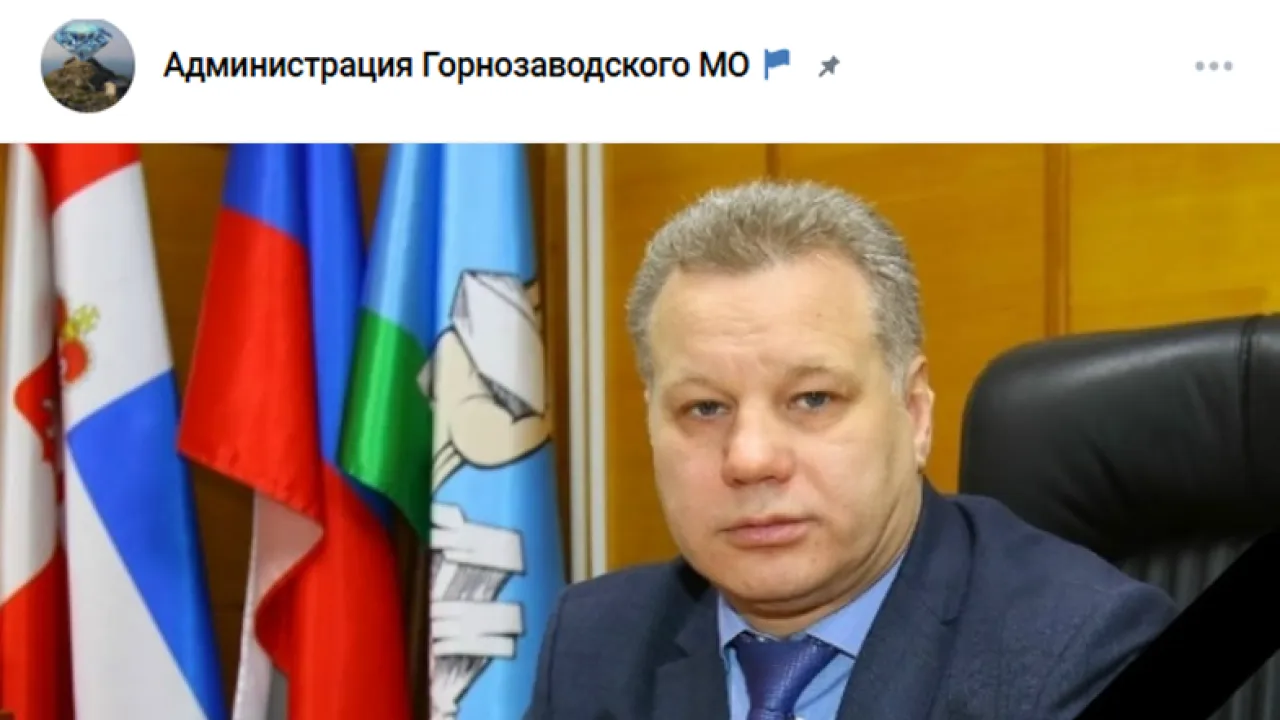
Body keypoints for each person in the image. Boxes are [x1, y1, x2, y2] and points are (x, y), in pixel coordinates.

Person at [523, 180, 1177, 719]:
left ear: (914, 413)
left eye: (812, 399)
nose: (750, 459)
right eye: (705, 408)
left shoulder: (1080, 648)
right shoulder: (595, 643)